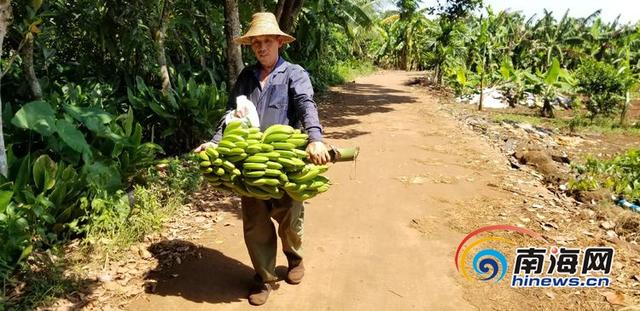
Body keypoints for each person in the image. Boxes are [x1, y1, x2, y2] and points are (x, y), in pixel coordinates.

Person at [194, 12, 330, 306]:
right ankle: (265, 276)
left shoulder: (294, 73)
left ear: (280, 42)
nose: (261, 47)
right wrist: (214, 142)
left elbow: (306, 105)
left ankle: (294, 259)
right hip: (251, 163)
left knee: (290, 220)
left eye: (267, 41)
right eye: (256, 43)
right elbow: (231, 114)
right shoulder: (246, 77)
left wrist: (316, 139)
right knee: (255, 225)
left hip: (284, 162)